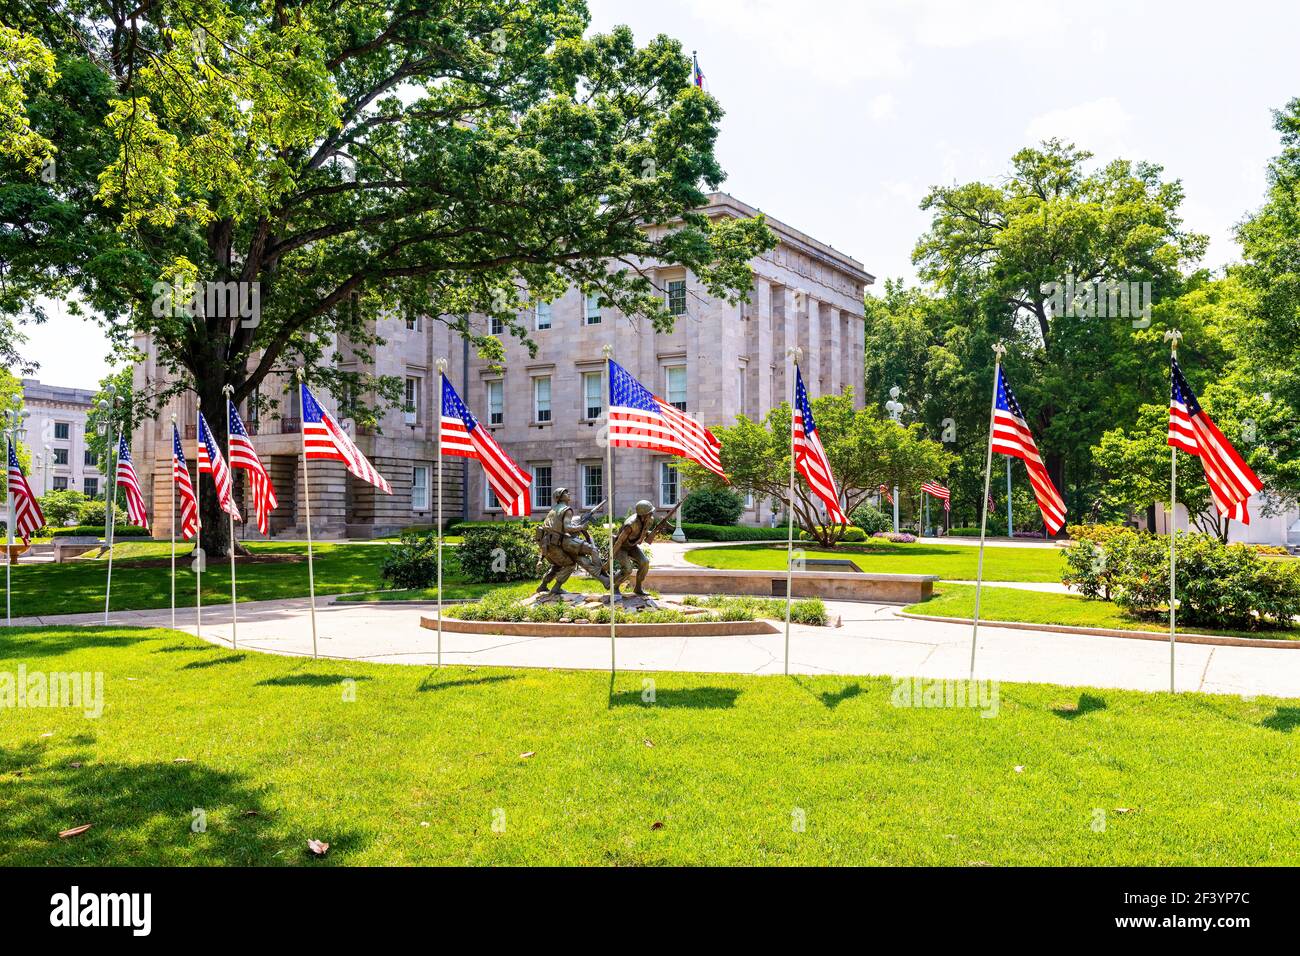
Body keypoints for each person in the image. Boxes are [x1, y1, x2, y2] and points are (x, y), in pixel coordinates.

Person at [535, 487, 607, 594]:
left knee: (558, 565)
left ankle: (543, 585)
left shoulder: (553, 510)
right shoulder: (566, 510)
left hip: (546, 544)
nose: (568, 494)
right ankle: (557, 587)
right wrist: (581, 527)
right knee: (570, 564)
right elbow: (568, 528)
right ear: (560, 497)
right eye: (566, 493)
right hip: (554, 544)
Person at [610, 500, 660, 597]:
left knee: (645, 562)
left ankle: (638, 588)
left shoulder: (649, 520)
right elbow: (619, 541)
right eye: (649, 513)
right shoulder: (630, 524)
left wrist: (652, 533)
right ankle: (615, 587)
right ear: (643, 515)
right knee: (628, 569)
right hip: (621, 547)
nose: (651, 514)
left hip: (632, 547)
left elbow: (643, 531)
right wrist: (610, 558)